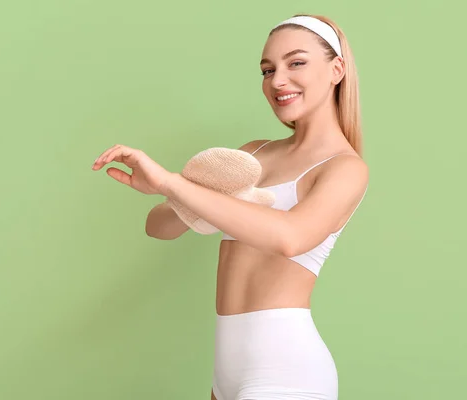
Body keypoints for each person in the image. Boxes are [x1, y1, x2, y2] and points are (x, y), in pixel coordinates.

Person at [92, 13, 368, 400]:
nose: (278, 80)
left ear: (337, 68)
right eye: (267, 70)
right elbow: (160, 226)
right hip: (227, 374)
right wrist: (171, 192)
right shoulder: (251, 155)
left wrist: (171, 182)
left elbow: (290, 238)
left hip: (285, 372)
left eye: (296, 63)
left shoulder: (344, 168)